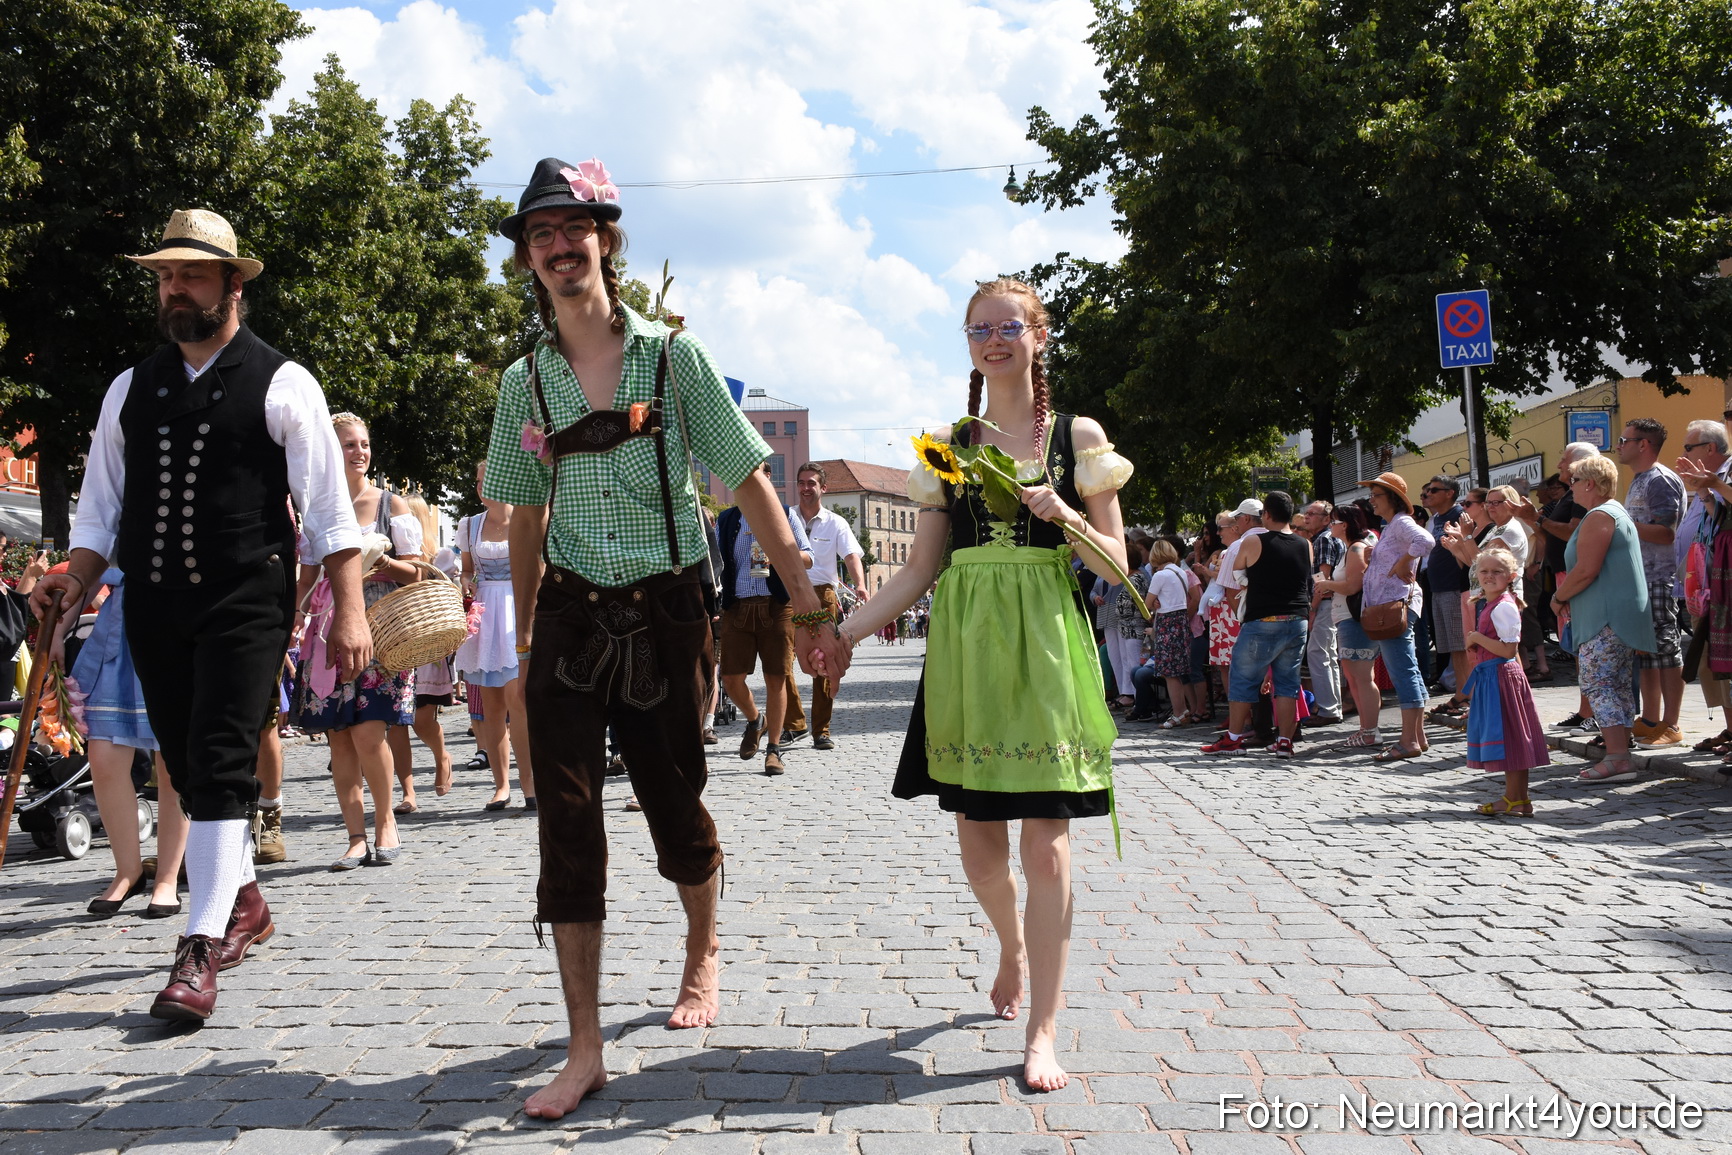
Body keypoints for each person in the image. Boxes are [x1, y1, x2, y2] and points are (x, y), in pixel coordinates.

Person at [481, 157, 849, 1119]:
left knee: (673, 807)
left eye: (575, 229)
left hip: (666, 611)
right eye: (541, 235)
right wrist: (520, 645)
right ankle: (586, 1044)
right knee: (564, 822)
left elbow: (751, 482)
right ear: (530, 257)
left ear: (606, 238)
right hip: (567, 612)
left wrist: (805, 595)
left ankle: (701, 947)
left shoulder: (671, 359)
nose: (560, 247)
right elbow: (522, 518)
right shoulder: (523, 383)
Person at [35, 208, 368, 1020]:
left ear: (231, 284)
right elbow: (99, 509)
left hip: (246, 600)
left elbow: (328, 512)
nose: (173, 287)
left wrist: (350, 610)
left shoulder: (285, 383)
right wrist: (72, 578)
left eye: (189, 273)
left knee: (220, 756)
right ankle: (244, 900)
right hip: (152, 599)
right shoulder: (130, 387)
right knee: (182, 759)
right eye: (163, 274)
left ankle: (198, 946)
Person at [837, 277, 1133, 1092]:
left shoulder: (1078, 436)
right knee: (978, 848)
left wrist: (1066, 517)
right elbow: (919, 571)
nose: (993, 339)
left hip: (1044, 647)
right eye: (978, 329)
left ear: (1040, 335)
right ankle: (1009, 941)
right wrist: (843, 633)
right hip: (967, 652)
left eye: (1008, 326)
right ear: (967, 344)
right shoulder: (946, 443)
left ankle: (1042, 1027)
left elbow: (1119, 564)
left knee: (1046, 843)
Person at [293, 412, 423, 869]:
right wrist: (291, 621)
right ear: (329, 452)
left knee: (370, 733)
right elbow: (306, 578)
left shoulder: (392, 505)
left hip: (381, 632)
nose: (360, 452)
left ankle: (386, 821)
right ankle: (354, 836)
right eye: (349, 444)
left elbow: (418, 571)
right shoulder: (315, 508)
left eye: (364, 444)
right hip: (326, 636)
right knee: (339, 740)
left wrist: (381, 563)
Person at [65, 571, 187, 918]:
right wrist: (58, 631)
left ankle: (166, 877)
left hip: (180, 619)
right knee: (103, 758)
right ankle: (127, 872)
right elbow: (89, 560)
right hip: (118, 635)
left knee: (173, 762)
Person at [1552, 453, 1655, 783]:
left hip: (1606, 616)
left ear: (1590, 484)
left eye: (1574, 482)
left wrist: (1559, 596)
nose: (1571, 489)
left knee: (1600, 684)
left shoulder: (1599, 515)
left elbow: (1586, 569)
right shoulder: (1612, 511)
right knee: (1618, 685)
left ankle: (1617, 759)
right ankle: (1620, 753)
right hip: (1615, 614)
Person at [716, 468, 814, 776]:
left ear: (768, 478)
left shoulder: (785, 515)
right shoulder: (727, 519)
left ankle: (773, 750)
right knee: (730, 680)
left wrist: (782, 554)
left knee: (777, 678)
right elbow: (716, 562)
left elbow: (809, 557)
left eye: (756, 474)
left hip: (776, 607)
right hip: (737, 607)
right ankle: (754, 719)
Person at [1201, 491, 1312, 757]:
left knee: (1242, 680)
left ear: (1267, 515)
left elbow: (1237, 574)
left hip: (1263, 618)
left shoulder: (1253, 542)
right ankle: (1284, 740)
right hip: (1297, 620)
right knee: (1287, 684)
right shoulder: (1304, 544)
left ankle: (1233, 738)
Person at [454, 462, 536, 810]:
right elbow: (468, 570)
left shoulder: (526, 516)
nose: (481, 487)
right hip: (485, 614)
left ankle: (529, 784)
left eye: (488, 481)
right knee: (491, 706)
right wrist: (465, 584)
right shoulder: (470, 524)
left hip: (517, 610)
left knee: (519, 703)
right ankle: (501, 785)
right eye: (478, 482)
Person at [779, 462, 865, 751]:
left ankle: (822, 730)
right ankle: (795, 723)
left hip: (823, 595)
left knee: (825, 660)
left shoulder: (836, 522)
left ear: (822, 488)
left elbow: (852, 555)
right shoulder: (785, 518)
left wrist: (861, 585)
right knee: (782, 660)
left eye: (811, 483)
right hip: (789, 592)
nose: (805, 488)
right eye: (801, 482)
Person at [1354, 472, 1436, 761]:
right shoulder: (1391, 526)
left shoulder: (1401, 522)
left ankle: (1408, 741)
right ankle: (1418, 737)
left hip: (1395, 605)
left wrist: (1404, 560)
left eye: (1376, 495)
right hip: (1390, 605)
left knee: (1403, 670)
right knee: (1407, 668)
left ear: (1392, 498)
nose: (1371, 500)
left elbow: (1426, 541)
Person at [1462, 547, 1550, 816]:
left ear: (1511, 576)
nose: (1489, 576)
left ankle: (1515, 799)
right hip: (1496, 676)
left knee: (1510, 738)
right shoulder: (1492, 602)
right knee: (1511, 738)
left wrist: (1476, 638)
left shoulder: (1503, 606)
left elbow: (1508, 649)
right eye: (1484, 571)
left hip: (1500, 676)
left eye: (1497, 572)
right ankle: (1516, 799)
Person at [1617, 418, 1687, 748]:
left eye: (1624, 439)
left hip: (1659, 577)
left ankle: (1671, 724)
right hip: (1641, 578)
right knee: (1646, 651)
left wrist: (1626, 525)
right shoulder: (1639, 480)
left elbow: (1667, 532)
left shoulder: (1659, 480)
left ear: (1643, 444)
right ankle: (1650, 719)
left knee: (1666, 652)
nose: (1619, 445)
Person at [389, 493, 457, 811]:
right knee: (395, 723)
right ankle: (407, 792)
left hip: (426, 648)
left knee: (421, 720)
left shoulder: (436, 561)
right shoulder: (387, 556)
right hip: (394, 643)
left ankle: (442, 757)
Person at [1673, 421, 1732, 757]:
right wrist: (1705, 492)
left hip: (1721, 578)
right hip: (1707, 583)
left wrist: (1713, 486)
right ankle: (1729, 727)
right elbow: (1714, 516)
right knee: (1714, 660)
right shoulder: (1711, 479)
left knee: (1723, 658)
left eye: (1689, 447)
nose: (1684, 454)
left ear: (1709, 448)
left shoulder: (1724, 472)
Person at [1316, 505, 1381, 744]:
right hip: (1346, 617)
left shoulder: (1355, 548)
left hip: (1355, 619)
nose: (1329, 526)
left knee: (1362, 676)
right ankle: (1366, 729)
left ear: (1344, 524)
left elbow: (1354, 586)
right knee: (1354, 676)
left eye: (1333, 521)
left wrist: (1328, 585)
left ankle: (1371, 731)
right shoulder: (1348, 548)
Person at [1419, 477, 1471, 717]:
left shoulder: (1460, 515)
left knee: (1460, 645)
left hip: (1454, 587)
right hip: (1438, 588)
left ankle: (1466, 694)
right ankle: (1461, 693)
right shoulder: (1436, 519)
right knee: (1449, 646)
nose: (1427, 494)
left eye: (1433, 490)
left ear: (1449, 493)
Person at [1299, 498, 1345, 726]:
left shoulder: (1323, 540)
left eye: (1312, 514)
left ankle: (1327, 709)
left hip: (1325, 603)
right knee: (1327, 655)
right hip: (1330, 603)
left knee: (1318, 654)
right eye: (1306, 513)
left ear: (1326, 519)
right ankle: (1332, 706)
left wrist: (1313, 608)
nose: (1307, 517)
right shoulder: (1325, 539)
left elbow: (1322, 578)